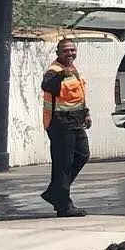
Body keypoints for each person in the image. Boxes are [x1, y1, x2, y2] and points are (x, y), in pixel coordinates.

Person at [41, 37, 91, 218]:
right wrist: (61, 74)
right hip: (60, 123)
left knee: (83, 155)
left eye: (72, 50)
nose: (70, 53)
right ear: (58, 53)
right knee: (64, 164)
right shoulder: (54, 71)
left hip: (76, 122)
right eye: (66, 51)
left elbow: (76, 95)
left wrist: (86, 112)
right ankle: (64, 205)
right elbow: (46, 85)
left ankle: (55, 192)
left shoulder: (73, 69)